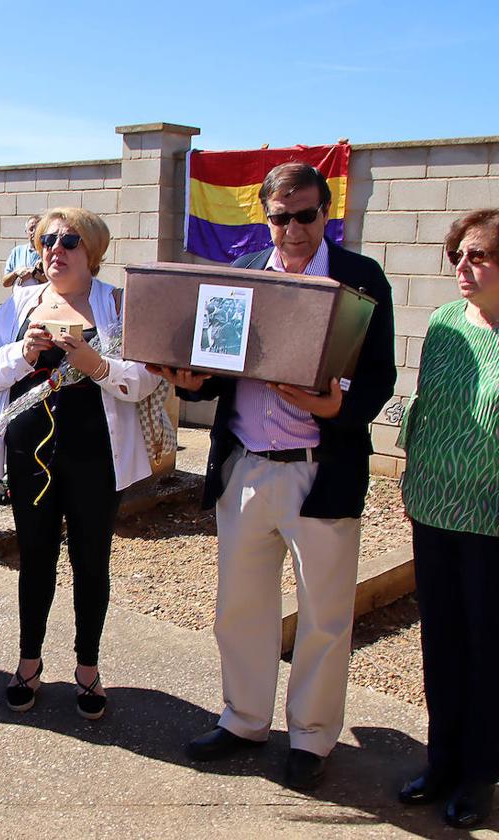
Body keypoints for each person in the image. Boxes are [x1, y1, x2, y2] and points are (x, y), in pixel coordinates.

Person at [156, 163, 395, 791]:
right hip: (247, 468)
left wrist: (335, 406)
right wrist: (191, 380)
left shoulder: (360, 280)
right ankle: (243, 720)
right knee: (240, 607)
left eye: (305, 215)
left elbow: (379, 376)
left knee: (323, 613)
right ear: (267, 216)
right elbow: (215, 365)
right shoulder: (243, 278)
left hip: (321, 471)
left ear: (326, 213)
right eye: (280, 216)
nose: (292, 229)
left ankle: (313, 738)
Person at [0, 207, 162, 720]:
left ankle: (88, 669)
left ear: (94, 252)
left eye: (69, 240)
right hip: (28, 452)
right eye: (47, 240)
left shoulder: (116, 306)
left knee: (90, 560)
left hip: (95, 454)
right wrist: (22, 352)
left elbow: (145, 379)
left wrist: (95, 364)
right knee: (34, 559)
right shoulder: (20, 303)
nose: (55, 249)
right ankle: (28, 665)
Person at [395, 209, 499, 829]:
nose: (463, 266)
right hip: (434, 507)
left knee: (489, 648)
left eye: (479, 255)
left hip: (492, 517)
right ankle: (441, 762)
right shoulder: (443, 322)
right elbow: (425, 405)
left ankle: (478, 775)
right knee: (442, 643)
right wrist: (410, 476)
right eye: (458, 254)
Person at [1, 214, 43, 287]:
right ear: (26, 232)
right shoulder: (17, 252)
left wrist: (34, 274)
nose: (34, 232)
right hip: (19, 297)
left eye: (38, 229)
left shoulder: (48, 252)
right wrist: (16, 272)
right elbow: (5, 283)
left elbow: (53, 283)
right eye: (31, 229)